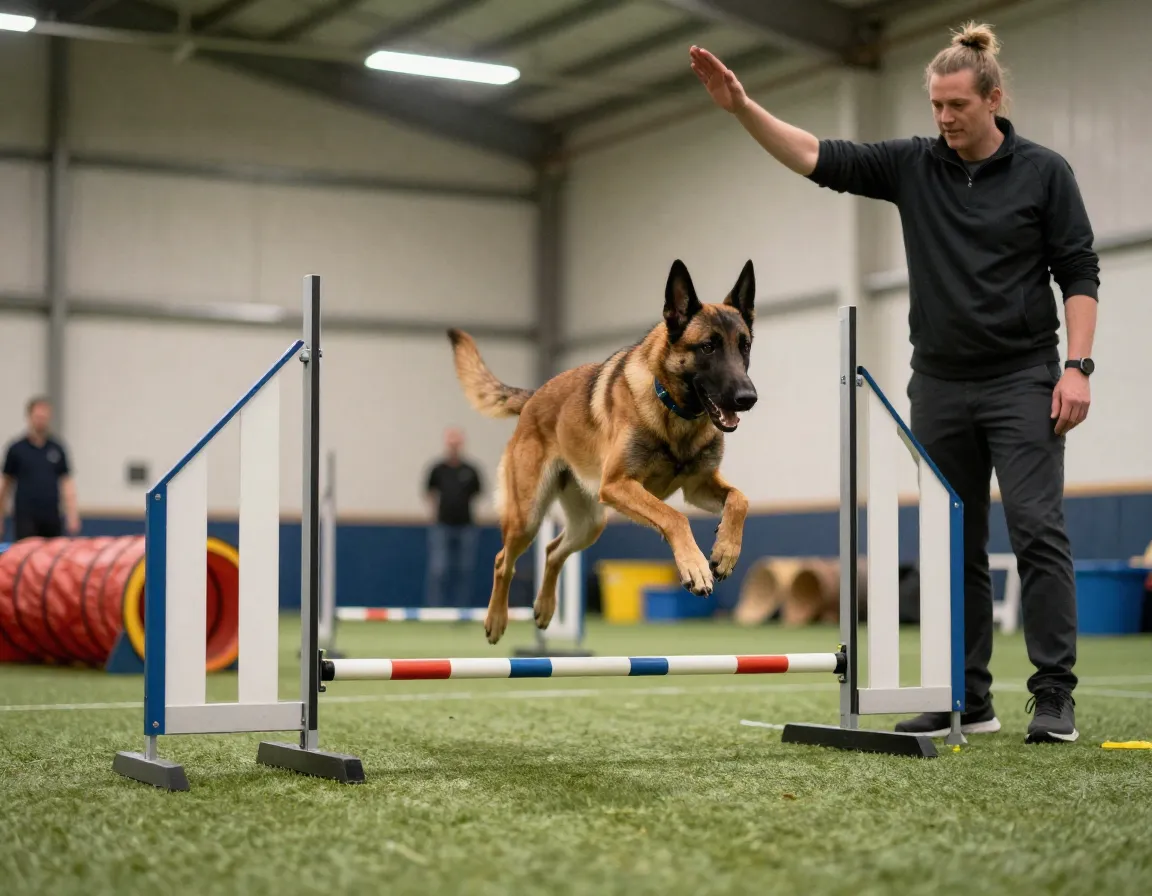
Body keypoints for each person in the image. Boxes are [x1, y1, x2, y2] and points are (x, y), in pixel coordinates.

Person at [690, 21, 1098, 745]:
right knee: (952, 543)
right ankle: (966, 698)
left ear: (993, 99)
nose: (944, 118)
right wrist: (743, 108)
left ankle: (1054, 695)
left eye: (957, 105)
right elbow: (816, 156)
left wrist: (1078, 368)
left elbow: (1079, 272)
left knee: (1037, 530)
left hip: (1023, 378)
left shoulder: (1044, 172)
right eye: (936, 105)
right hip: (938, 383)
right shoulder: (914, 164)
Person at [1, 397, 81, 541]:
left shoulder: (57, 448)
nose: (41, 420)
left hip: (51, 516)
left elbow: (66, 483)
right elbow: (5, 485)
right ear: (29, 417)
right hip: (25, 517)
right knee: (27, 551)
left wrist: (72, 515)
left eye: (44, 417)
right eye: (38, 416)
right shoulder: (16, 449)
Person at [423, 427, 484, 609]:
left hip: (466, 527)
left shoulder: (471, 470)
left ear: (462, 444)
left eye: (457, 442)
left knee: (464, 570)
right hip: (442, 526)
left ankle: (461, 610)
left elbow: (478, 494)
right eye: (451, 442)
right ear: (446, 444)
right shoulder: (437, 469)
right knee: (438, 570)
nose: (454, 446)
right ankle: (435, 610)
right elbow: (430, 493)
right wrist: (433, 515)